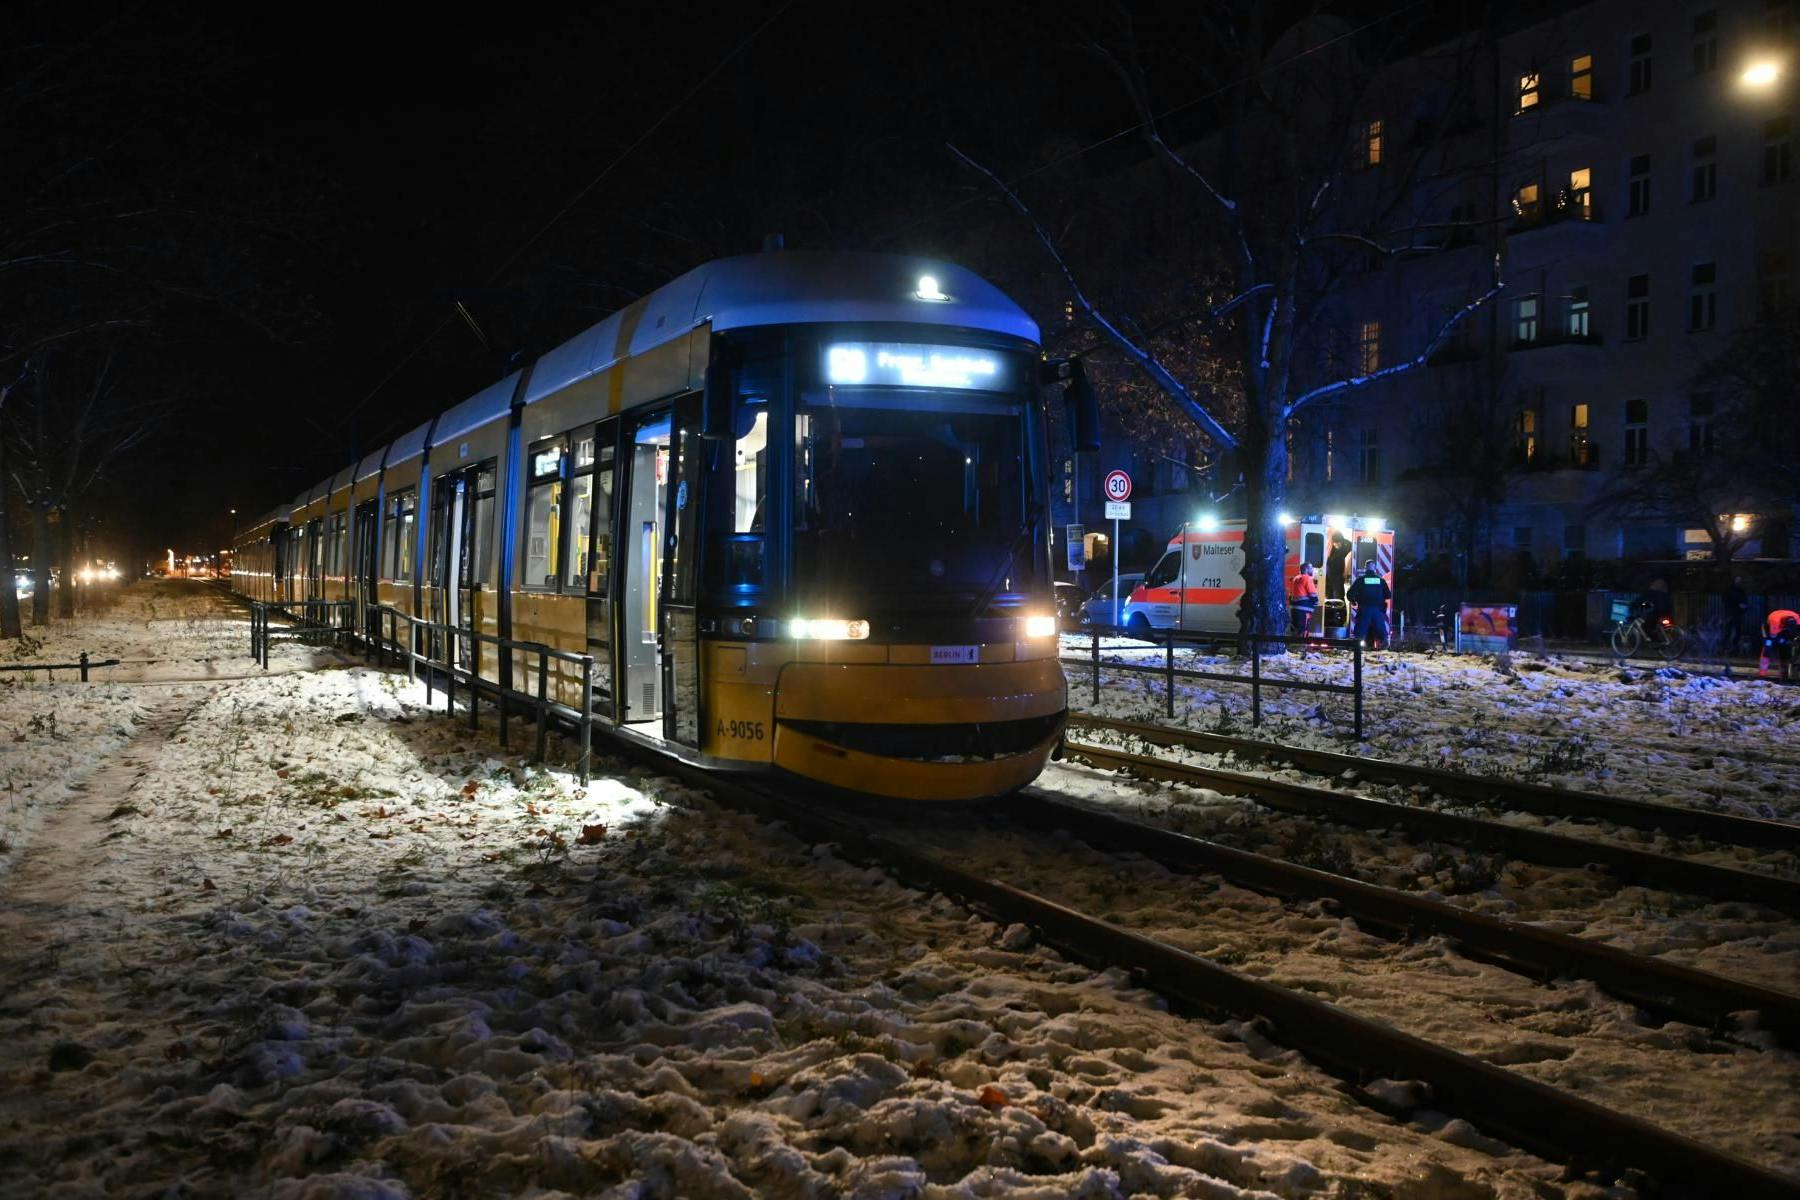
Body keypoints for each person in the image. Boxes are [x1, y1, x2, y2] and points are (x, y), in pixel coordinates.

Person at [1349, 563, 1392, 647]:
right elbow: (1388, 595)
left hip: (1364, 611)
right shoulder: (1381, 580)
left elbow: (1349, 594)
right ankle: (1383, 653)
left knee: (1359, 636)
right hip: (1378, 612)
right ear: (1375, 569)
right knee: (1382, 636)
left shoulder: (1360, 580)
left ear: (1365, 568)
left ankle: (1358, 654)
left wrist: (1354, 602)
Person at [1324, 534, 1352, 636]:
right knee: (1329, 600)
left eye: (1337, 543)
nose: (1336, 545)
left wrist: (1344, 541)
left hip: (1337, 578)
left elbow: (1351, 545)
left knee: (1339, 599)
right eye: (1335, 543)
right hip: (1329, 580)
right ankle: (1330, 619)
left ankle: (1341, 619)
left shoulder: (1344, 547)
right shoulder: (1332, 549)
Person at [1761, 608, 1800, 680]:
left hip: (1782, 623)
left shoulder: (1797, 618)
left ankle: (1783, 674)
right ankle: (1763, 673)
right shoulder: (1775, 622)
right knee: (1768, 646)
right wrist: (1785, 641)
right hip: (1770, 627)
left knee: (1785, 650)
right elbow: (1773, 638)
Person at [1289, 562, 1319, 636]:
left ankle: (1294, 646)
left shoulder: (1295, 578)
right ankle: (1301, 647)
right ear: (1306, 569)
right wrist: (1316, 602)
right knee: (1303, 631)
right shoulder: (1307, 578)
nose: (1313, 570)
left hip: (1294, 609)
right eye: (1311, 568)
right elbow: (1313, 594)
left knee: (1295, 630)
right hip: (1304, 611)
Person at [1722, 577, 1750, 657]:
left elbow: (1745, 601)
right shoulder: (1729, 590)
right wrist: (1738, 605)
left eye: (1740, 580)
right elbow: (1726, 601)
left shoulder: (1741, 591)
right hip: (1730, 614)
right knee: (1727, 632)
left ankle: (1734, 649)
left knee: (1738, 632)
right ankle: (1725, 649)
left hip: (1738, 614)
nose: (1739, 582)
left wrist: (1745, 607)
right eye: (1737, 580)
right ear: (1734, 581)